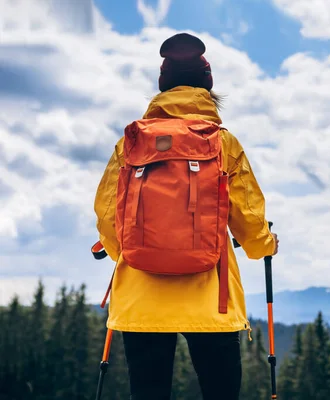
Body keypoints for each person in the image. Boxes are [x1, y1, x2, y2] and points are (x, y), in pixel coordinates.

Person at [93, 32, 279, 400]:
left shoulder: (131, 142)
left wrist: (124, 253)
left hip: (141, 298)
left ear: (162, 87)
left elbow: (106, 214)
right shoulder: (223, 142)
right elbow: (248, 218)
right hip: (212, 298)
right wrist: (265, 245)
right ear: (208, 88)